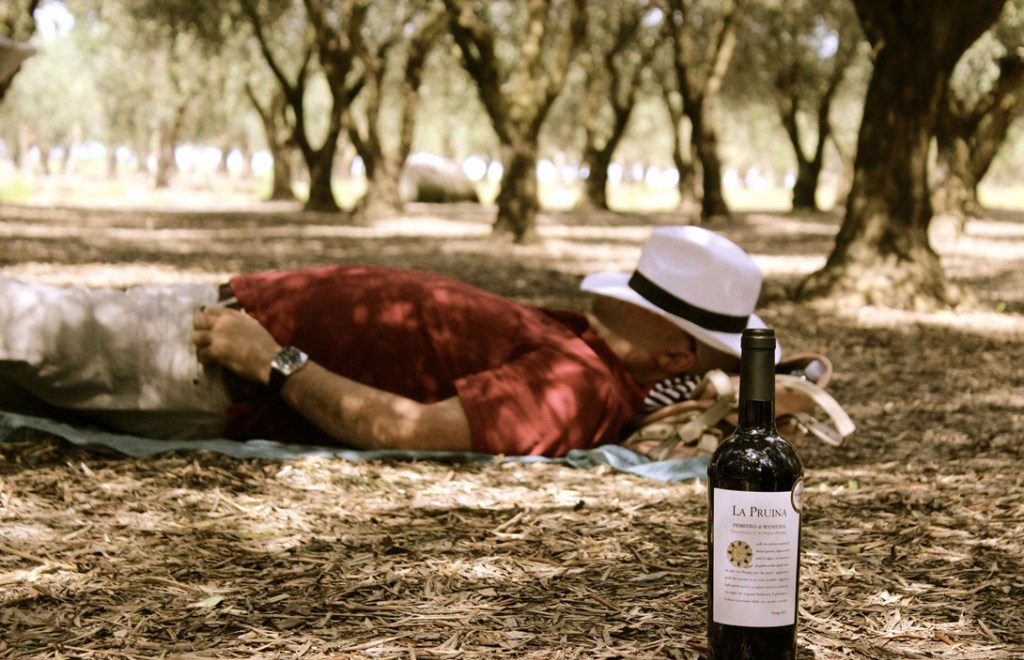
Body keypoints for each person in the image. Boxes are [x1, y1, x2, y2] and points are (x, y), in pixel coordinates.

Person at [0, 226, 778, 457]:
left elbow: (409, 430)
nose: (615, 296)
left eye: (639, 300)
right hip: (212, 329)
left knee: (16, 321)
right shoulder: (597, 353)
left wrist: (270, 359)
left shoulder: (581, 389)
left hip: (206, 361)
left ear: (677, 353)